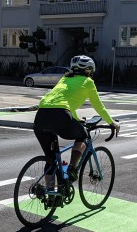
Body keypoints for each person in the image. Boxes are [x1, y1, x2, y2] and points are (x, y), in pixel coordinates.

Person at [33, 55, 120, 194]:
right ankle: (72, 169)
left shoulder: (65, 78)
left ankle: (51, 194)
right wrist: (112, 122)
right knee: (83, 136)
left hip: (40, 116)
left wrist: (77, 119)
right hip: (61, 115)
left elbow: (66, 103)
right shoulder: (88, 82)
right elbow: (99, 107)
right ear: (89, 70)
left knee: (51, 160)